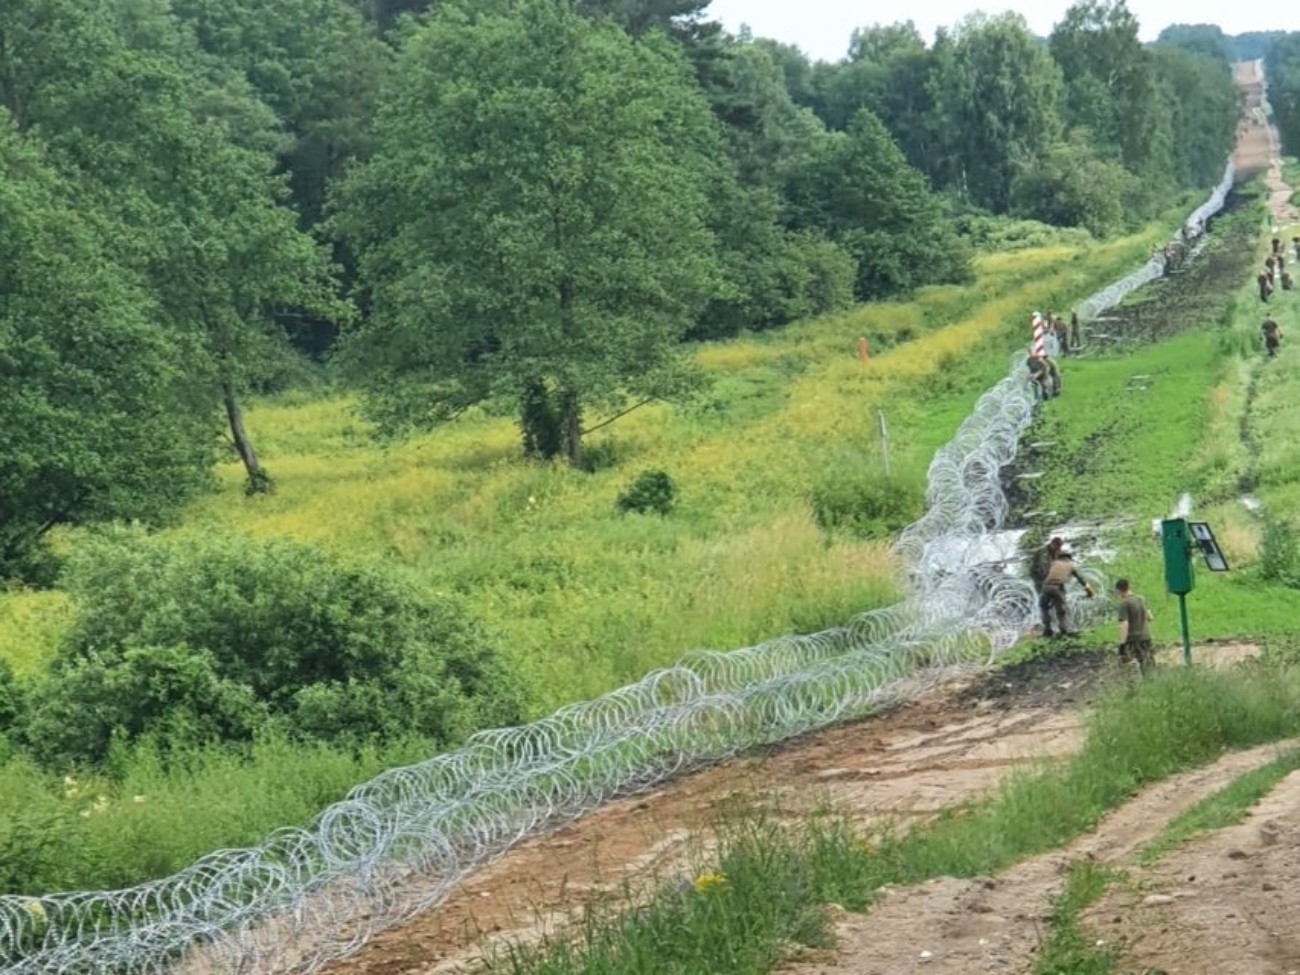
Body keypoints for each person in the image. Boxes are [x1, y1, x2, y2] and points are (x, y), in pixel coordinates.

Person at [1039, 552, 1094, 638]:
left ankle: (1047, 630)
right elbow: (1081, 578)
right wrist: (1089, 591)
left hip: (1045, 587)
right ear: (1069, 558)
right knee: (1061, 611)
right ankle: (1064, 631)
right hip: (1057, 587)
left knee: (1043, 607)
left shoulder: (1054, 563)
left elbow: (1047, 575)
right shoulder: (1071, 565)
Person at [1115, 578, 1155, 675]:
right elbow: (1150, 617)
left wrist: (1122, 644)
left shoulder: (1124, 604)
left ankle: (1135, 688)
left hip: (1133, 640)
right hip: (1146, 636)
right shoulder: (1141, 599)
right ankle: (1152, 684)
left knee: (1129, 667)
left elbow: (1124, 624)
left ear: (1119, 590)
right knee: (1148, 664)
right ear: (1129, 586)